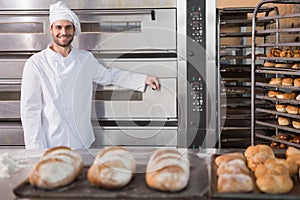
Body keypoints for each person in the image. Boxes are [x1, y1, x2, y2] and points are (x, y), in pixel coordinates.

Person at [20, 1, 160, 150]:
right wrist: (35, 151)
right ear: (51, 29)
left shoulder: (85, 59)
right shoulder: (36, 63)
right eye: (58, 27)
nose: (63, 32)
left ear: (74, 30)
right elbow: (30, 111)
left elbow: (109, 76)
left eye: (68, 27)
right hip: (50, 144)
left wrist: (143, 79)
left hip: (81, 142)